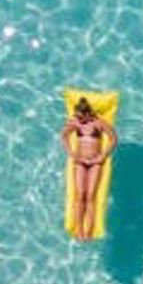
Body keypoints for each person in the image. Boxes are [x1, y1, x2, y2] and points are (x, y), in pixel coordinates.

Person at [60, 96, 117, 239]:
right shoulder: (75, 123)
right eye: (77, 116)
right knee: (80, 196)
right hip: (80, 161)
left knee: (91, 196)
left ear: (87, 113)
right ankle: (79, 229)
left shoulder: (99, 123)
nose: (78, 119)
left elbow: (113, 138)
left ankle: (89, 231)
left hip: (95, 162)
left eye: (80, 116)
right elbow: (63, 136)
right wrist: (72, 153)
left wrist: (103, 156)